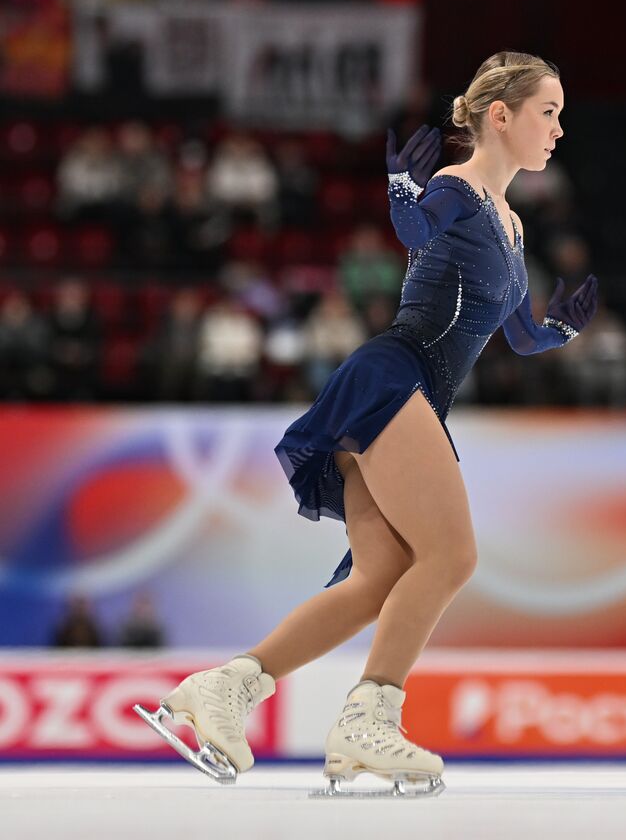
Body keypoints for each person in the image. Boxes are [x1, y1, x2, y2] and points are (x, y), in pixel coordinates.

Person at [139, 52, 598, 797]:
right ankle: (368, 719)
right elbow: (415, 229)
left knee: (380, 579)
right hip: (395, 378)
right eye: (548, 111)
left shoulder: (512, 227)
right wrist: (398, 187)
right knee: (451, 557)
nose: (559, 127)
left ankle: (224, 688)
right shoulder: (455, 190)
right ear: (500, 116)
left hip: (408, 397)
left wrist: (561, 333)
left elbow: (517, 335)